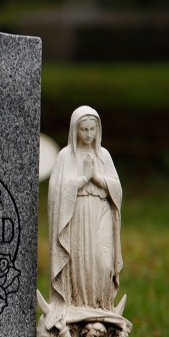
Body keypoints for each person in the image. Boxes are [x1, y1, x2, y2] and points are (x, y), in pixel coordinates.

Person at [48, 106, 122, 311]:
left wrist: (97, 179)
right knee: (79, 260)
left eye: (92, 129)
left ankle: (102, 306)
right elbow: (56, 191)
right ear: (75, 130)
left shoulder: (104, 156)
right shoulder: (65, 157)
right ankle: (78, 305)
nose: (89, 134)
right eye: (84, 130)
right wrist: (81, 180)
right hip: (77, 214)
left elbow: (116, 188)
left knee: (103, 263)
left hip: (100, 212)